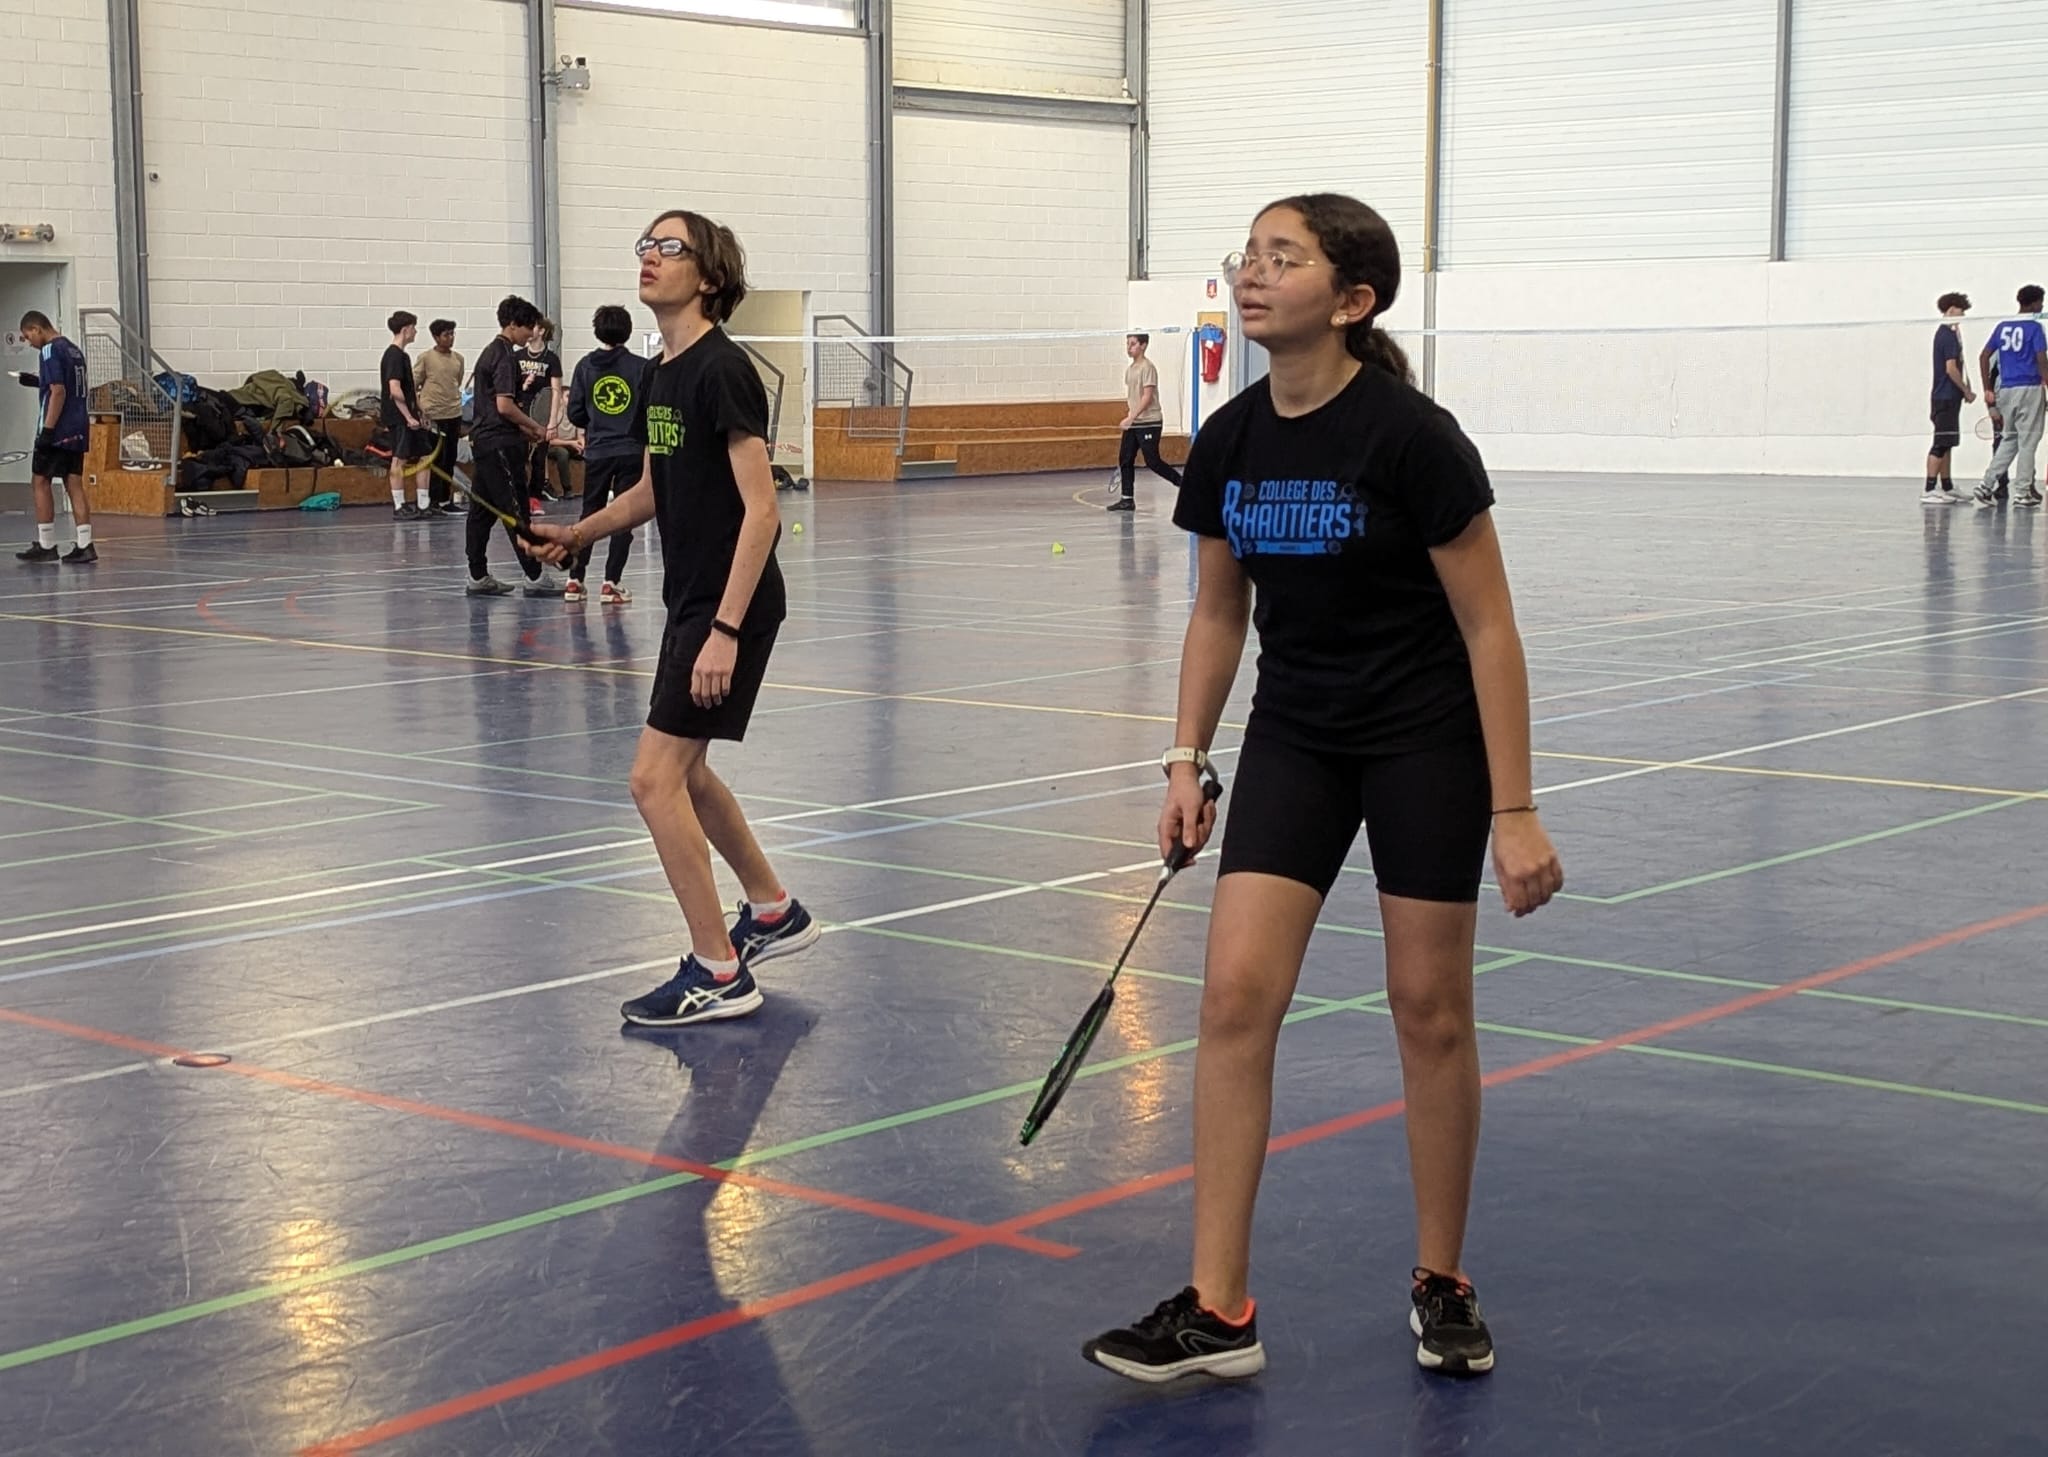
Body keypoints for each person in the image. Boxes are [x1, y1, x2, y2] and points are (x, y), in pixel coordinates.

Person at [1081, 194, 1563, 1385]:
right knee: (1232, 997)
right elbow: (1216, 612)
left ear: (1350, 300)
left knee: (1427, 1007)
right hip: (1295, 734)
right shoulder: (1231, 438)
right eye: (1247, 253)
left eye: (1281, 258)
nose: (1252, 273)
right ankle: (1216, 1305)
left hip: (1422, 741)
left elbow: (1488, 625)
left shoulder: (1411, 437)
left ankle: (1441, 1276)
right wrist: (1184, 757)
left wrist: (1512, 807)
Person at [524, 210, 817, 1025]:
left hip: (728, 606)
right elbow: (653, 490)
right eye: (645, 247)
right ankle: (770, 909)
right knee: (686, 774)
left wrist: (724, 630)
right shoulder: (661, 375)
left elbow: (762, 512)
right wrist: (578, 534)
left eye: (669, 248)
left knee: (652, 780)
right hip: (691, 601)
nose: (650, 258)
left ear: (709, 276)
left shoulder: (723, 371)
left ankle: (719, 970)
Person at [466, 295, 565, 597]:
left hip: (485, 442)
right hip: (499, 446)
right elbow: (504, 406)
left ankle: (477, 575)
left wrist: (523, 430)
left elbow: (496, 408)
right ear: (512, 325)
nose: (532, 333)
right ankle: (534, 576)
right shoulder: (506, 356)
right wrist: (535, 427)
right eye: (528, 327)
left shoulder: (490, 352)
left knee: (481, 512)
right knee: (516, 510)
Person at [562, 303, 648, 605]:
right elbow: (648, 408)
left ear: (597, 331)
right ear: (628, 332)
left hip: (597, 450)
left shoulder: (585, 366)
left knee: (590, 513)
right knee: (624, 516)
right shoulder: (641, 367)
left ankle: (575, 580)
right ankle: (611, 582)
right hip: (631, 449)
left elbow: (575, 412)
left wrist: (596, 421)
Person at [13, 311, 94, 564]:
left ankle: (46, 544)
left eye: (28, 337)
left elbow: (58, 391)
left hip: (58, 428)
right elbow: (66, 384)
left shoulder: (49, 350)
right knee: (73, 483)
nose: (30, 343)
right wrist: (36, 381)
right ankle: (85, 544)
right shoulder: (73, 350)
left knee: (40, 481)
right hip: (78, 426)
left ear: (36, 329)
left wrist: (48, 430)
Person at [1976, 284, 2047, 510]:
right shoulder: (2035, 328)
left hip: (2006, 389)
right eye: (2041, 302)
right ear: (2034, 303)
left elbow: (1984, 356)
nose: (2042, 306)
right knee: (2029, 441)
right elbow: (2041, 360)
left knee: (2010, 439)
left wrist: (1987, 388)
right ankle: (2023, 492)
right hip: (2029, 388)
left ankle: (1986, 484)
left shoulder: (2002, 327)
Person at [1109, 332, 1183, 512]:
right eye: (1127, 344)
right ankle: (1127, 499)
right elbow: (1133, 397)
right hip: (1134, 423)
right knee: (1125, 458)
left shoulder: (1147, 367)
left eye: (1133, 344)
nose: (1129, 347)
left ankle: (1185, 484)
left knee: (1153, 461)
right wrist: (1130, 417)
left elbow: (1147, 397)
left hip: (1149, 422)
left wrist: (1131, 417)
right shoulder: (1130, 370)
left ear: (1143, 345)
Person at [1926, 294, 1976, 504]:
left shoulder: (1952, 334)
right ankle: (1929, 489)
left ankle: (1947, 485)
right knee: (1940, 443)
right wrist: (1965, 390)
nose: (1963, 315)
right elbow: (1951, 369)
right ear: (1951, 309)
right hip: (1945, 397)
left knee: (1947, 442)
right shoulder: (1946, 335)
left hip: (1950, 397)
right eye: (1961, 310)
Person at [381, 311, 432, 519]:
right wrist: (407, 417)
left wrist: (420, 412)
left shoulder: (403, 356)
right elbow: (394, 389)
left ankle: (423, 504)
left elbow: (409, 390)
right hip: (399, 418)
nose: (416, 332)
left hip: (411, 416)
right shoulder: (393, 355)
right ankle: (399, 505)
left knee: (425, 457)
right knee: (399, 460)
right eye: (414, 328)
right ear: (405, 329)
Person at [517, 317, 569, 511]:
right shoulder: (517, 356)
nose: (528, 329)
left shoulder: (551, 359)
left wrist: (552, 422)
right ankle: (519, 498)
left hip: (542, 415)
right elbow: (512, 387)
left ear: (542, 332)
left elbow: (555, 392)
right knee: (519, 457)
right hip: (521, 414)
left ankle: (534, 498)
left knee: (539, 459)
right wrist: (524, 385)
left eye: (533, 326)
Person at [415, 318, 465, 514]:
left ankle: (445, 500)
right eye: (446, 335)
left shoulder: (458, 359)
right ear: (436, 337)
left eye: (452, 334)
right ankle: (432, 501)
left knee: (449, 459)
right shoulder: (426, 358)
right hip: (433, 416)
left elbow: (457, 381)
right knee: (435, 460)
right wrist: (421, 410)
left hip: (453, 414)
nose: (450, 338)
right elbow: (413, 384)